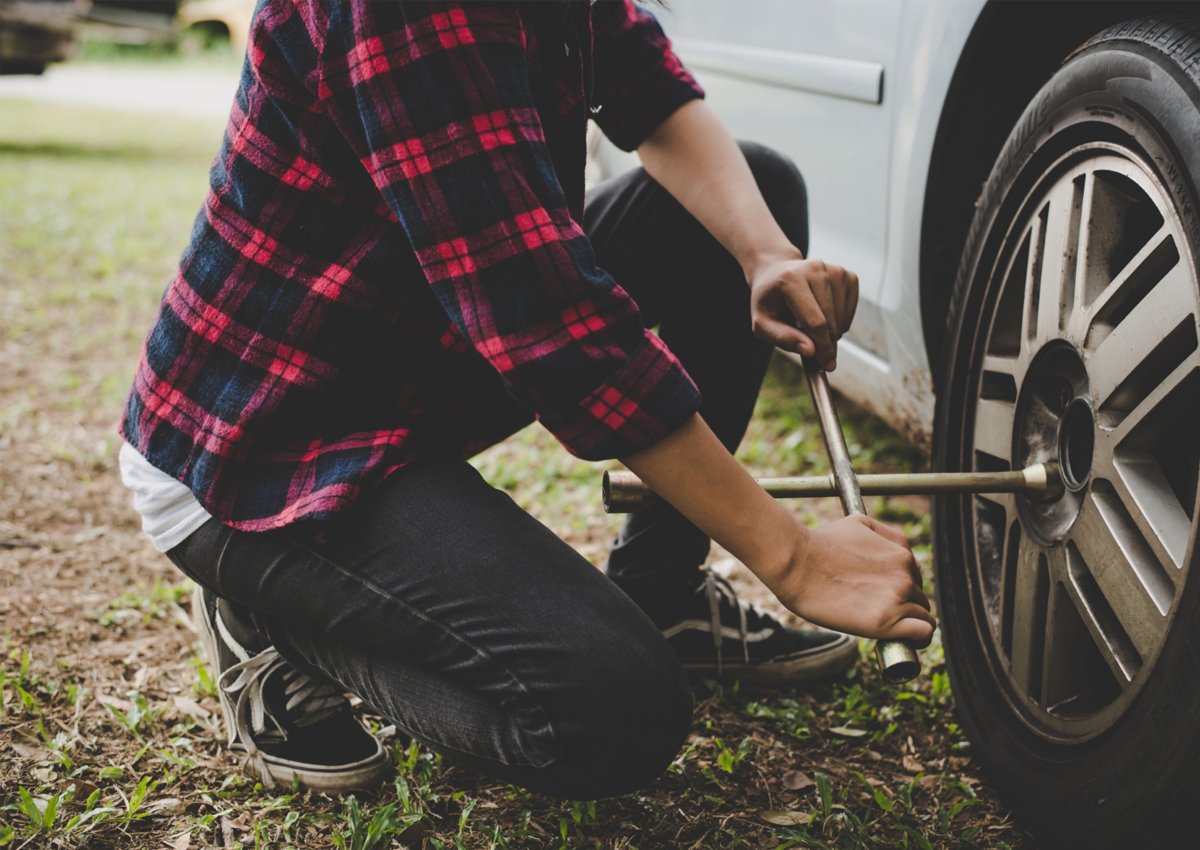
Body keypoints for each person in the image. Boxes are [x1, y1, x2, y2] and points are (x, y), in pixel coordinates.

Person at [118, 0, 936, 799]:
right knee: (614, 714)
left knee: (751, 194)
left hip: (411, 353)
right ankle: (272, 611)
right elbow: (553, 329)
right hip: (264, 446)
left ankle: (663, 597)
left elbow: (643, 81)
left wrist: (762, 254)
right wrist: (793, 557)